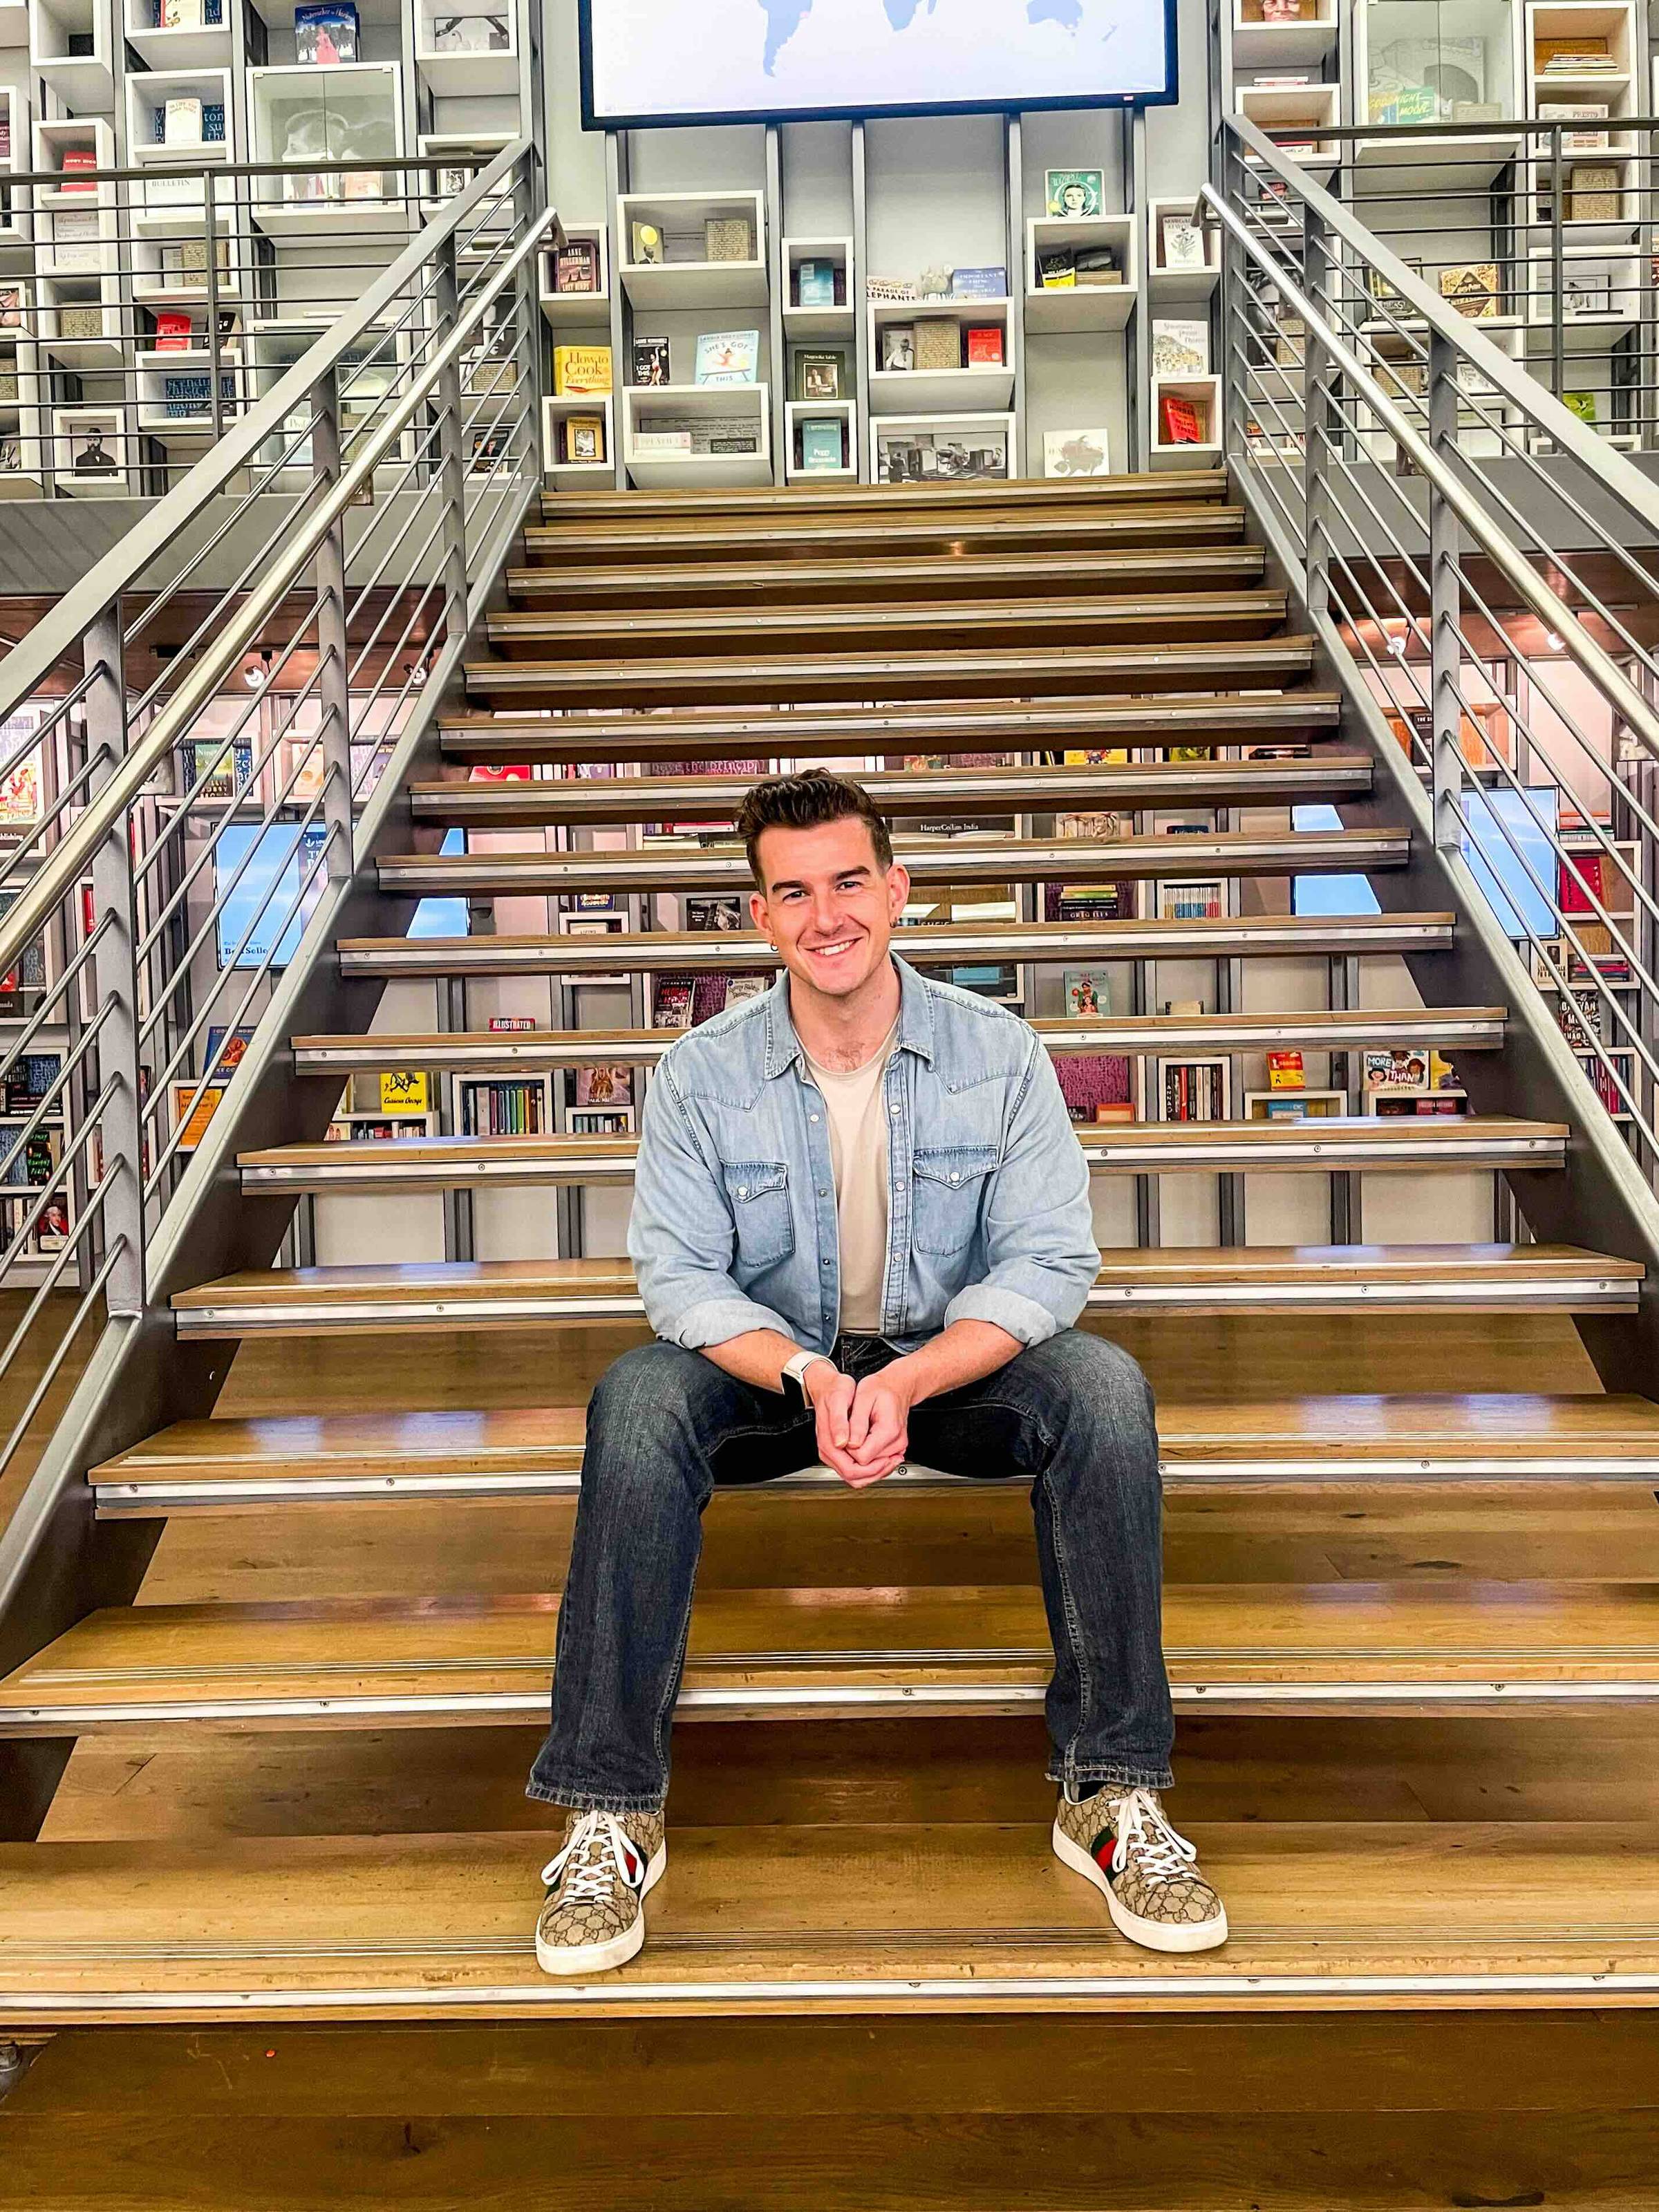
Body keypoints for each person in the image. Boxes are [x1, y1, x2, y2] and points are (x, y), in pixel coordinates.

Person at [527, 770, 1227, 1975]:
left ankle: (1110, 1793)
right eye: (792, 892)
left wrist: (901, 1384)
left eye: (849, 881)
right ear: (761, 918)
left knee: (1106, 1389)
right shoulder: (702, 1073)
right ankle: (612, 1809)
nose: (826, 914)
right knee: (635, 1401)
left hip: (943, 1370)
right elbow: (681, 1283)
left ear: (896, 890)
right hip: (774, 1372)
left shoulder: (997, 1054)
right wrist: (811, 1373)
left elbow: (1051, 1260)